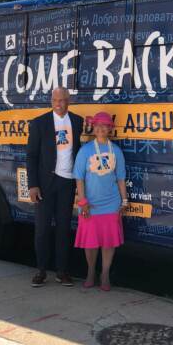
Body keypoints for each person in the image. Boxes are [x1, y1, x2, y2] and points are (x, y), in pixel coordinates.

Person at [26, 87, 83, 288]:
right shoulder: (39, 123)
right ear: (51, 101)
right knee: (42, 229)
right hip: (45, 184)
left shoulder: (77, 121)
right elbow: (31, 156)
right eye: (56, 100)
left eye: (63, 100)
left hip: (67, 183)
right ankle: (41, 271)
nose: (59, 104)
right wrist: (32, 185)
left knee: (63, 229)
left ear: (69, 101)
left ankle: (62, 272)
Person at [73, 112, 128, 291]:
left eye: (105, 126)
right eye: (98, 126)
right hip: (90, 204)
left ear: (110, 129)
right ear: (94, 128)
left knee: (108, 242)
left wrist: (124, 201)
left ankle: (104, 274)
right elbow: (79, 178)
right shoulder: (85, 150)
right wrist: (82, 202)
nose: (101, 129)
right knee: (90, 242)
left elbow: (120, 178)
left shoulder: (116, 151)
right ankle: (90, 272)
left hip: (111, 203)